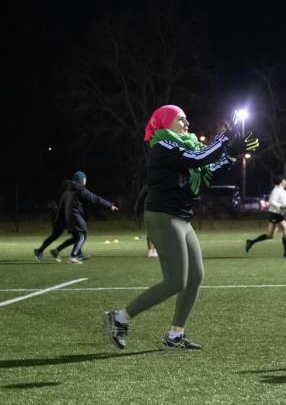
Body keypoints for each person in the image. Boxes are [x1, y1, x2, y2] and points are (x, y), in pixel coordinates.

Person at [103, 104, 258, 351]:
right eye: (181, 119)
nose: (187, 124)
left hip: (181, 218)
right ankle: (119, 318)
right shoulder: (163, 146)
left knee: (195, 277)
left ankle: (175, 336)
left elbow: (205, 168)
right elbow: (198, 158)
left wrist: (231, 153)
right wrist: (222, 140)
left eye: (187, 119)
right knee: (176, 281)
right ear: (165, 122)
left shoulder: (186, 145)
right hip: (163, 217)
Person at [35, 171, 118, 264]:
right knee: (81, 235)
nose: (86, 181)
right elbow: (95, 198)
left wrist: (60, 218)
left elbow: (62, 205)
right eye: (85, 179)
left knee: (75, 237)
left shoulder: (67, 191)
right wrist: (110, 205)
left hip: (65, 217)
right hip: (73, 216)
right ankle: (73, 256)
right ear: (81, 180)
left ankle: (59, 251)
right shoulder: (80, 190)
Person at [245, 175, 286, 258]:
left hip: (276, 214)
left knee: (270, 235)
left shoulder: (282, 190)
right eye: (284, 180)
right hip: (276, 214)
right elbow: (271, 202)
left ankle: (251, 242)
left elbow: (282, 202)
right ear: (281, 181)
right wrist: (282, 207)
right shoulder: (276, 191)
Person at [135, 184, 158, 258]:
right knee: (151, 230)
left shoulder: (163, 184)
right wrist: (137, 210)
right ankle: (151, 249)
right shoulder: (147, 185)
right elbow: (140, 198)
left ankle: (153, 249)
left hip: (160, 211)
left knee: (156, 231)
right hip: (149, 210)